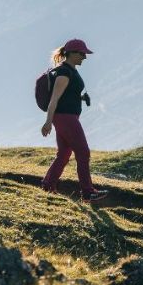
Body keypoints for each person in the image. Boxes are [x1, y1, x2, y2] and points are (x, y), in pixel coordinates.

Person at [40, 38, 108, 201]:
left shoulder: (70, 70)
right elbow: (54, 99)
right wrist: (48, 121)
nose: (84, 57)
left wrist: (81, 97)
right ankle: (87, 192)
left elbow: (66, 95)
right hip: (65, 118)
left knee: (64, 154)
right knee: (83, 152)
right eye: (82, 53)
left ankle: (48, 185)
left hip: (66, 117)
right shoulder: (63, 72)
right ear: (72, 53)